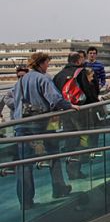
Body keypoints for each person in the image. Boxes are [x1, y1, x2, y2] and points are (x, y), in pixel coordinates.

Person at [13, 53, 79, 209]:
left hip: (21, 124)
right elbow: (55, 99)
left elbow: (11, 99)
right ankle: (58, 187)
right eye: (47, 63)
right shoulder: (43, 79)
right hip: (41, 123)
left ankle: (26, 201)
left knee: (24, 163)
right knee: (53, 154)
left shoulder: (21, 81)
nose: (48, 66)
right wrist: (69, 106)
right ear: (41, 63)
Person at [53, 52, 99, 180]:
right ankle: (77, 168)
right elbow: (89, 92)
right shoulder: (81, 72)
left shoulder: (58, 75)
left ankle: (70, 170)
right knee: (83, 139)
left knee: (70, 140)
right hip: (81, 111)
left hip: (65, 112)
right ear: (79, 60)